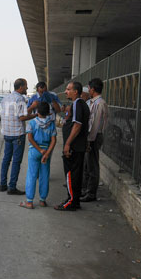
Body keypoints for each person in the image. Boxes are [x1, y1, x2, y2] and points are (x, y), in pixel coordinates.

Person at [55, 81, 90, 211]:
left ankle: (71, 201)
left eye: (68, 89)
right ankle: (74, 201)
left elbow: (77, 125)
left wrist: (68, 144)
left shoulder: (77, 104)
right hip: (78, 146)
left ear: (76, 91)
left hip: (74, 147)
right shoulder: (81, 104)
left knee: (71, 174)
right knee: (76, 174)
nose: (65, 91)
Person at [0, 78, 36, 195]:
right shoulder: (20, 99)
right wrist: (36, 115)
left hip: (6, 133)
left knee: (6, 159)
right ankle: (12, 187)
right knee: (16, 161)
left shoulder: (5, 98)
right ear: (21, 87)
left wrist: (30, 108)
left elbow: (14, 114)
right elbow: (22, 117)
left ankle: (2, 184)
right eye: (26, 86)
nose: (27, 88)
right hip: (17, 134)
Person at [20, 102, 57, 209]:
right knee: (44, 175)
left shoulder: (32, 123)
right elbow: (54, 141)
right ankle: (42, 200)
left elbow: (30, 138)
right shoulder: (51, 123)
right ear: (49, 112)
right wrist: (47, 152)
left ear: (37, 111)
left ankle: (29, 202)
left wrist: (39, 150)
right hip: (47, 151)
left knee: (32, 174)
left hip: (35, 151)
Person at [81, 78, 109, 202]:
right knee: (88, 164)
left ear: (92, 89)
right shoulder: (95, 102)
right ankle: (87, 190)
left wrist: (89, 140)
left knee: (92, 166)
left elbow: (95, 124)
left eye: (89, 89)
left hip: (94, 136)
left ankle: (91, 193)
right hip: (92, 136)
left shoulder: (99, 103)